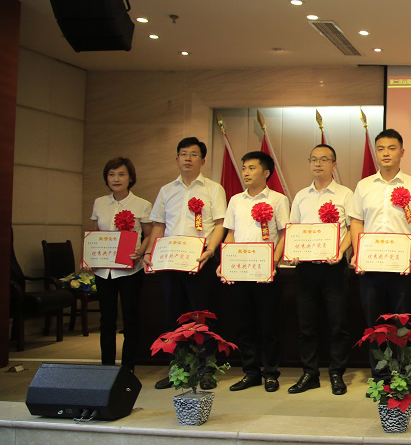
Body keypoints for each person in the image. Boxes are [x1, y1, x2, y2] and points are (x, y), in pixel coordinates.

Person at [144, 137, 227, 390]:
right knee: (173, 316)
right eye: (183, 154)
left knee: (203, 317)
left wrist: (210, 250)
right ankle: (177, 370)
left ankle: (206, 370)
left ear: (203, 160)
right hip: (171, 261)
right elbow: (159, 225)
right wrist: (150, 252)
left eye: (193, 154)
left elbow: (220, 224)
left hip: (201, 260)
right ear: (177, 159)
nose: (187, 158)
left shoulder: (213, 189)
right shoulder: (166, 190)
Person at [349, 130, 411, 386]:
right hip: (371, 266)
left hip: (403, 265)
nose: (385, 153)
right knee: (375, 325)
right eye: (381, 148)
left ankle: (403, 376)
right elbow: (356, 222)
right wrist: (358, 253)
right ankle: (381, 377)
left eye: (391, 148)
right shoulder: (364, 186)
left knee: (404, 324)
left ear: (402, 152)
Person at [287, 143, 355, 395]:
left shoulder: (345, 194)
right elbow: (293, 229)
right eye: (314, 159)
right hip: (306, 269)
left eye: (324, 159)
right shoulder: (301, 196)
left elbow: (352, 229)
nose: (318, 163)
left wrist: (341, 251)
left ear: (334, 164)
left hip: (334, 268)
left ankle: (337, 373)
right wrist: (292, 252)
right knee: (307, 325)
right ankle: (310, 373)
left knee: (338, 323)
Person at [220, 151, 290, 393]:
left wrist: (274, 261)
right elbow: (230, 234)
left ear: (266, 172)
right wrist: (224, 262)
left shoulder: (278, 200)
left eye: (252, 168)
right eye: (244, 168)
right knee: (243, 324)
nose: (246, 173)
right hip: (239, 271)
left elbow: (284, 234)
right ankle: (250, 372)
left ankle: (270, 373)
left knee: (269, 325)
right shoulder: (235, 200)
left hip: (265, 272)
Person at [89, 157, 152, 372]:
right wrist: (89, 257)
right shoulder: (99, 202)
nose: (116, 179)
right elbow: (95, 234)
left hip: (130, 270)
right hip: (103, 271)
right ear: (106, 178)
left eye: (121, 174)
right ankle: (106, 368)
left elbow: (148, 235)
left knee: (130, 319)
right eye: (111, 174)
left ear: (131, 178)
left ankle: (127, 368)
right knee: (106, 319)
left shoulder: (142, 204)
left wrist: (140, 252)